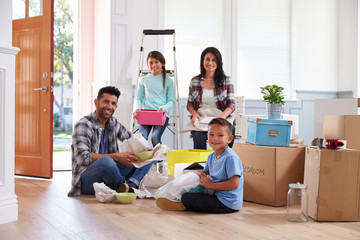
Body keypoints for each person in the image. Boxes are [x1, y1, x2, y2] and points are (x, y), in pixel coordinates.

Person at [68, 86, 156, 196]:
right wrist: (117, 157)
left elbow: (131, 140)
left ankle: (131, 185)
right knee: (107, 161)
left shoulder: (113, 123)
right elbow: (82, 158)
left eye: (113, 103)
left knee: (152, 158)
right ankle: (123, 186)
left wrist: (145, 150)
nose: (110, 106)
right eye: (106, 102)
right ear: (96, 103)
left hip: (110, 174)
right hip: (86, 181)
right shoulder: (83, 125)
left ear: (116, 106)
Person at [156, 118, 243, 213]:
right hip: (215, 194)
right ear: (207, 136)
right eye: (211, 134)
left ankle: (183, 204)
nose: (215, 138)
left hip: (227, 203)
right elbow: (205, 171)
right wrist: (201, 174)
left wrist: (211, 185)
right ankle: (180, 200)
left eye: (220, 135)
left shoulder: (230, 158)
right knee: (188, 191)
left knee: (187, 197)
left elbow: (234, 184)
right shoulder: (212, 156)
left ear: (229, 139)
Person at [187, 47, 236, 149]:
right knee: (198, 136)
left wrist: (222, 116)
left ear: (218, 63)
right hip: (202, 119)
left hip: (222, 119)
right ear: (202, 61)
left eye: (214, 60)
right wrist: (195, 114)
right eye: (207, 59)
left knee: (229, 133)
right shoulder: (195, 80)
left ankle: (223, 161)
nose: (210, 63)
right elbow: (190, 104)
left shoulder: (226, 80)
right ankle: (202, 164)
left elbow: (231, 104)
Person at [133, 51, 176, 147]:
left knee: (155, 137)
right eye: (151, 62)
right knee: (142, 138)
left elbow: (171, 101)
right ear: (147, 64)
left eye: (156, 62)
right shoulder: (144, 80)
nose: (153, 65)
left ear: (162, 64)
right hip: (146, 114)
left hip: (161, 114)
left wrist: (163, 108)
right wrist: (137, 109)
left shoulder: (169, 81)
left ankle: (159, 160)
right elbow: (139, 97)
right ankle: (144, 162)